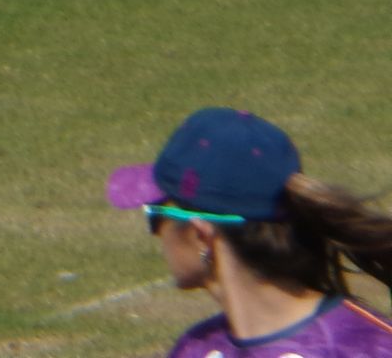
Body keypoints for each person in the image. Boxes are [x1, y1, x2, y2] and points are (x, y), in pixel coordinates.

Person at [107, 106, 392, 356]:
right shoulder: (196, 347)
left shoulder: (369, 348)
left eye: (156, 216)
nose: (156, 235)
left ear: (201, 236)